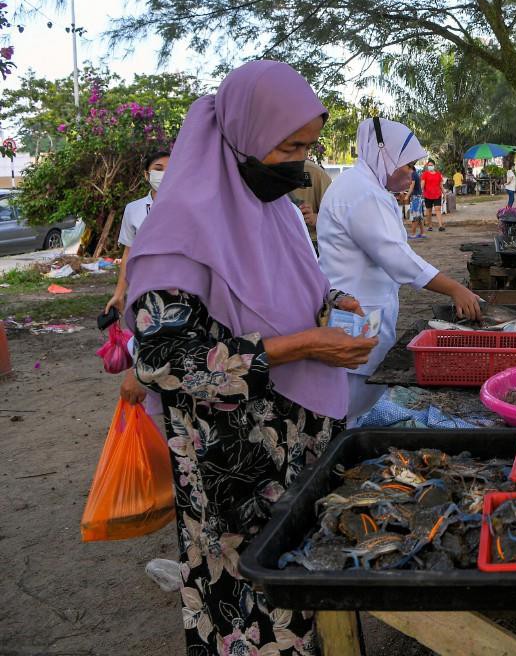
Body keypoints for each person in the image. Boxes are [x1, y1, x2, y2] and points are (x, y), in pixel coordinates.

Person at [124, 60, 378, 655]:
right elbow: (163, 361)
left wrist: (334, 304)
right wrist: (306, 345)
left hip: (301, 444)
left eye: (309, 148)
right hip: (232, 461)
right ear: (243, 132)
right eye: (289, 146)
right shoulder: (180, 227)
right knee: (251, 599)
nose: (299, 162)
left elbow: (301, 290)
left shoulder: (277, 211)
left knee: (312, 588)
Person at [318, 117, 483, 424]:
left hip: (365, 309)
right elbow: (398, 259)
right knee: (346, 402)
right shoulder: (361, 193)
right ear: (385, 156)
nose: (412, 173)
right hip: (355, 313)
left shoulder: (367, 188)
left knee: (356, 399)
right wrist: (454, 288)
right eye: (407, 165)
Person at [106, 150, 171, 316]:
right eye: (158, 169)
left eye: (170, 169)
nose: (164, 174)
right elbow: (128, 253)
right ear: (146, 174)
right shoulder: (133, 209)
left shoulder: (188, 206)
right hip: (146, 289)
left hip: (183, 288)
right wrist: (119, 294)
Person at [291, 158, 332, 254]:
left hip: (310, 245)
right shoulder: (261, 172)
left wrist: (314, 218)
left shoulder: (314, 173)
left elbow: (336, 219)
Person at [422, 160, 445, 231]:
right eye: (429, 165)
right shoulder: (425, 174)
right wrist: (420, 192)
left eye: (431, 165)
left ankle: (440, 226)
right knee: (429, 211)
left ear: (434, 166)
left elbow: (441, 185)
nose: (430, 166)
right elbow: (422, 184)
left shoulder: (438, 174)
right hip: (427, 195)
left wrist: (444, 193)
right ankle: (430, 226)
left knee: (438, 209)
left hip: (437, 194)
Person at [406, 165, 426, 239]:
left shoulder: (413, 174)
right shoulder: (415, 174)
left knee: (415, 217)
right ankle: (422, 233)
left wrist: (407, 195)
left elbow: (411, 186)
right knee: (419, 216)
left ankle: (413, 233)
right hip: (418, 197)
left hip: (416, 198)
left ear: (409, 167)